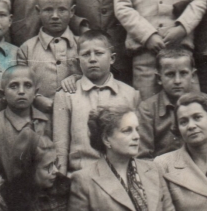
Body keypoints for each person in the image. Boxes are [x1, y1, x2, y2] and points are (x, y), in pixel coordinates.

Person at [53, 30, 142, 174]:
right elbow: (60, 146)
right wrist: (61, 179)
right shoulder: (66, 95)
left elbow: (137, 143)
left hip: (121, 175)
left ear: (112, 58)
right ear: (78, 60)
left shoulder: (130, 94)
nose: (92, 59)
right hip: (81, 175)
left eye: (99, 53)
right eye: (86, 54)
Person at [0, 65, 50, 181]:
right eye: (13, 86)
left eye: (28, 85)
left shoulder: (46, 121)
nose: (21, 91)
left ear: (36, 92)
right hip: (7, 195)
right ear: (3, 94)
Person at [16, 0, 82, 111]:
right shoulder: (27, 49)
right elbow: (21, 83)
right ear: (38, 11)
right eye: (48, 10)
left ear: (72, 11)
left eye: (62, 10)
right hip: (39, 117)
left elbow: (96, 77)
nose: (55, 16)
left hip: (76, 114)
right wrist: (36, 98)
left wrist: (77, 77)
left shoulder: (82, 45)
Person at [138, 48, 196, 159]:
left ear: (192, 76)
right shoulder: (147, 109)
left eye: (183, 73)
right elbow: (143, 157)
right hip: (162, 172)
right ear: (159, 78)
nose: (177, 81)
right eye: (170, 74)